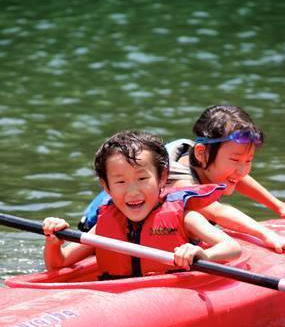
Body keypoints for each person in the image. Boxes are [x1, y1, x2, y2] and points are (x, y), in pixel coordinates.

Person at [78, 105, 285, 253]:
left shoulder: (197, 154)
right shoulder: (179, 181)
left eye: (248, 160)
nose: (242, 170)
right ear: (202, 152)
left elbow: (239, 178)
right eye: (235, 159)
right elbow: (218, 212)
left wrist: (278, 207)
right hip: (106, 234)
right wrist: (266, 234)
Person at [43, 130, 241, 277]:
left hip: (172, 294)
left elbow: (231, 247)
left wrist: (202, 254)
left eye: (142, 179)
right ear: (106, 186)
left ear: (162, 177)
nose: (133, 191)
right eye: (120, 182)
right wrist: (53, 242)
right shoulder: (103, 226)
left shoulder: (185, 217)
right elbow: (58, 263)